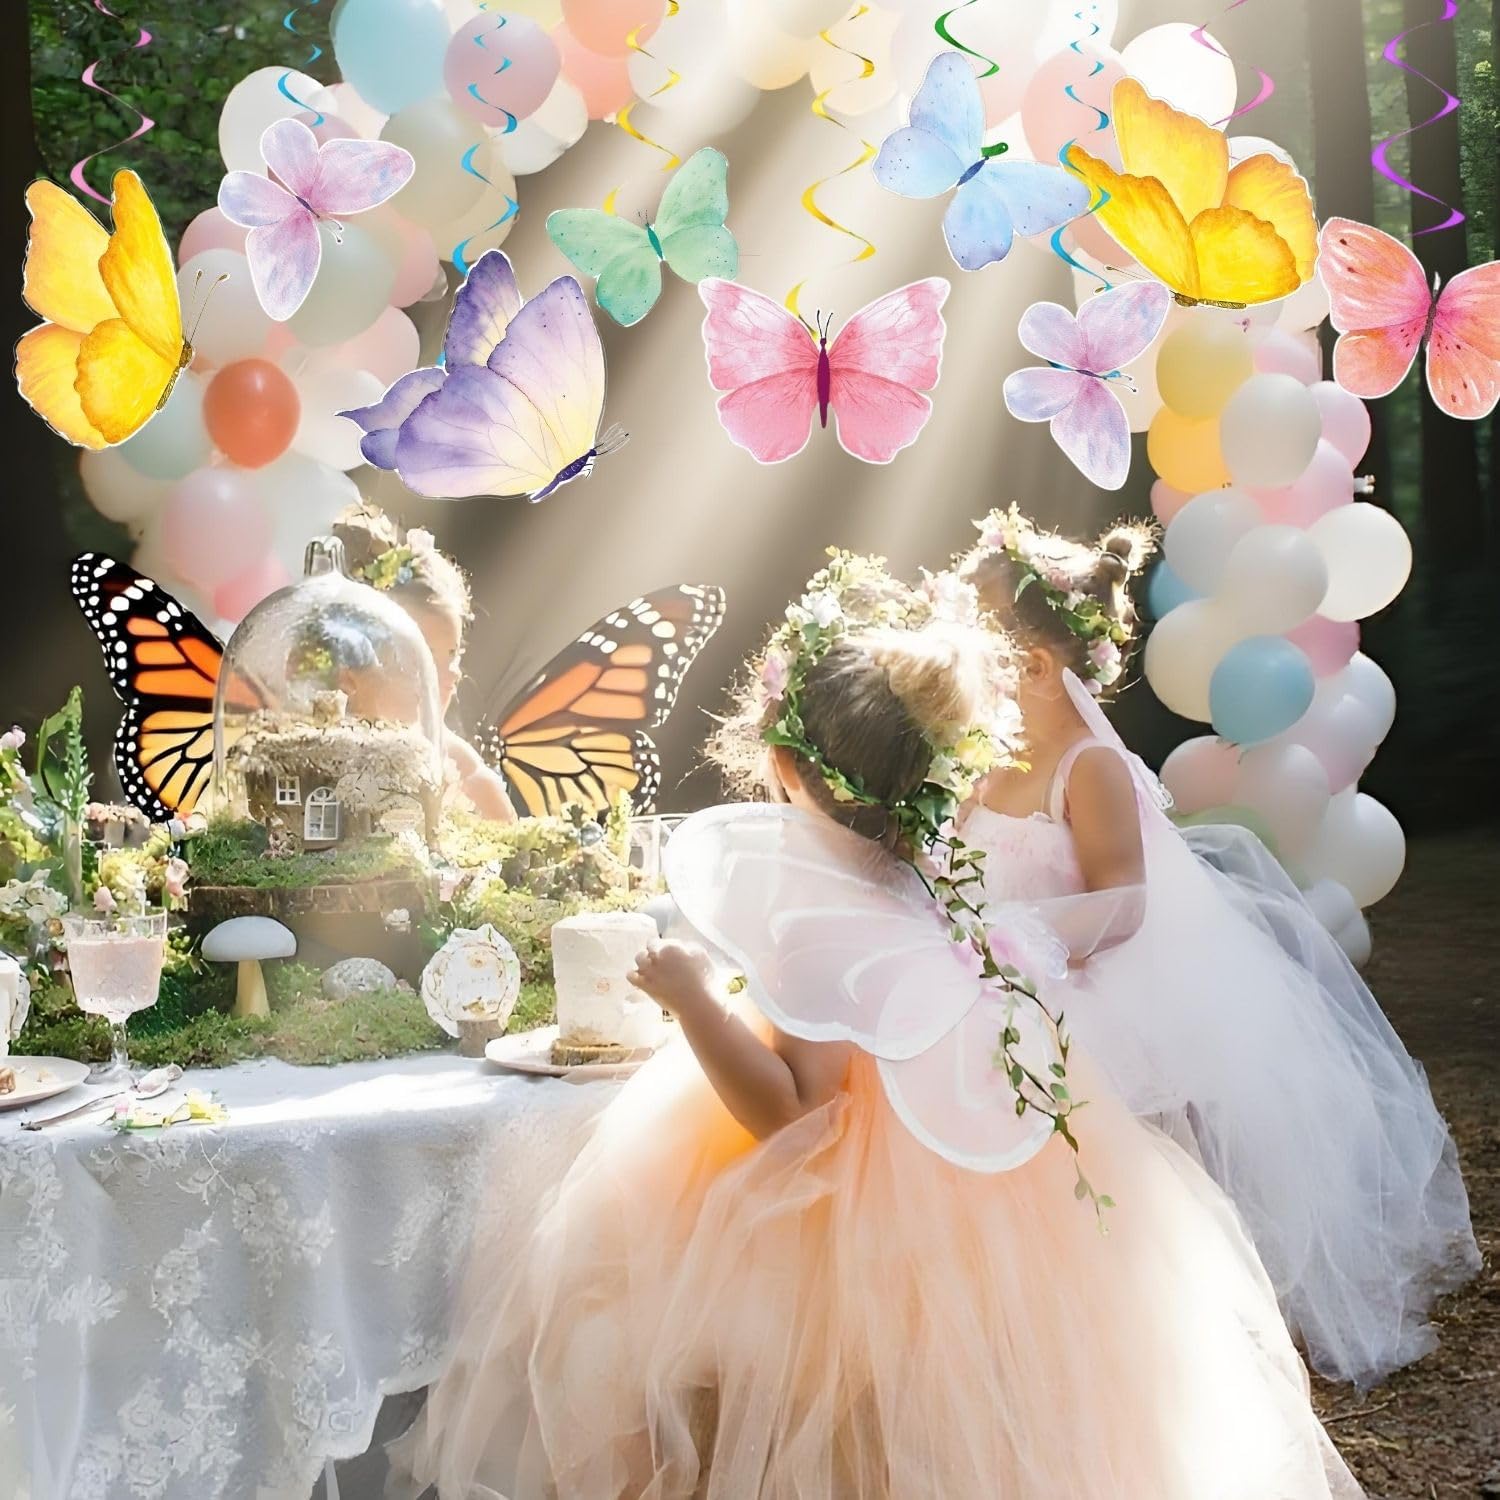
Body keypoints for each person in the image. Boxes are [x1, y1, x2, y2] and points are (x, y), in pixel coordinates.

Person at [390, 554, 1361, 1500]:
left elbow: (790, 1112)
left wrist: (691, 999)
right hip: (968, 1203)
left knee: (783, 1390)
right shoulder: (918, 885)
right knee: (918, 1419)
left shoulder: (824, 928)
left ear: (782, 765)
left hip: (842, 1216)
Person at [953, 505, 1479, 1388]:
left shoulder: (1088, 767)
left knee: (1098, 1162)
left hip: (1070, 978)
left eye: (973, 641)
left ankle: (1119, 1318)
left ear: (1035, 664)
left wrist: (1021, 940)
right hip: (991, 975)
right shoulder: (983, 758)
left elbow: (1124, 900)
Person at [333, 504, 517, 824]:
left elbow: (513, 845)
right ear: (349, 669)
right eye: (418, 657)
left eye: (452, 655)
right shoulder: (318, 757)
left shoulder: (468, 779)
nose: (449, 674)